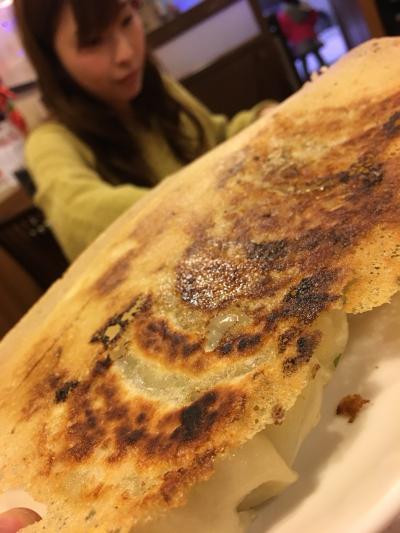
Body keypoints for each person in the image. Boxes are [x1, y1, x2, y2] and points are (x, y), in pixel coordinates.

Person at [14, 0, 273, 262]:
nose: (125, 53)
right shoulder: (49, 141)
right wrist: (209, 197)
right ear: (53, 59)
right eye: (93, 41)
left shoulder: (156, 88)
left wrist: (266, 120)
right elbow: (79, 214)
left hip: (237, 246)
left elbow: (216, 139)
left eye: (126, 21)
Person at [277, 0, 326, 79]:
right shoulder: (302, 8)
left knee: (304, 60)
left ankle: (306, 78)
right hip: (308, 33)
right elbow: (312, 18)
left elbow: (285, 30)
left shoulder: (282, 15)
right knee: (317, 55)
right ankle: (326, 69)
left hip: (297, 39)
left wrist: (291, 38)